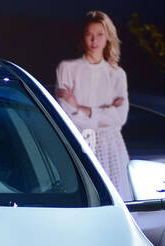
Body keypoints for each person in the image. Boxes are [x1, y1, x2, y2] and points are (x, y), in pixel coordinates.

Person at [55, 11, 131, 200]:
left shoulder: (116, 74)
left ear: (108, 38)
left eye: (100, 34)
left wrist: (81, 107)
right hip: (79, 142)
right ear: (83, 37)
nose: (94, 40)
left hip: (111, 146)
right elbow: (66, 113)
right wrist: (104, 114)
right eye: (89, 34)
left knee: (115, 199)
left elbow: (119, 117)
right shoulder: (67, 68)